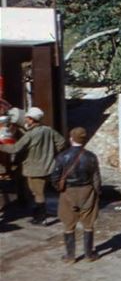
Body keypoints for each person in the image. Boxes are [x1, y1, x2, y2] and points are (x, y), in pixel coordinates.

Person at [0, 107, 66, 224]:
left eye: (27, 117)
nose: (25, 119)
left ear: (31, 119)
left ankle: (41, 218)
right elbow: (61, 142)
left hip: (35, 169)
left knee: (38, 193)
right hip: (47, 167)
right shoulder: (48, 130)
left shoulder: (30, 134)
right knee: (39, 192)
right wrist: (50, 153)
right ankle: (39, 214)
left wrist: (1, 146)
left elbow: (15, 148)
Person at [50, 127, 101, 263]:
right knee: (88, 224)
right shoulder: (91, 156)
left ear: (71, 138)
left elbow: (55, 177)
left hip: (68, 192)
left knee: (68, 224)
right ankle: (89, 255)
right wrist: (96, 193)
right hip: (87, 191)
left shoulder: (62, 156)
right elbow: (96, 177)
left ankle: (70, 256)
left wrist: (60, 189)